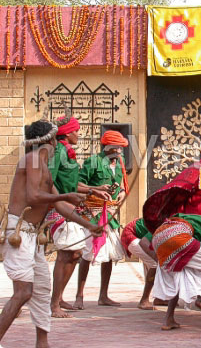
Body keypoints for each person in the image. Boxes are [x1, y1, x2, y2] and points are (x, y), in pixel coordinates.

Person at [0, 120, 101, 348]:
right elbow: (35, 196)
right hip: (20, 232)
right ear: (53, 139)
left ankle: (42, 344)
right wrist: (63, 197)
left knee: (42, 291)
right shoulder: (34, 159)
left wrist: (88, 225)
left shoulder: (42, 164)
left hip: (31, 235)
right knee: (24, 292)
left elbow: (60, 206)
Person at [47, 115, 111, 318]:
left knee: (74, 254)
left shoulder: (67, 152)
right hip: (59, 208)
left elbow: (71, 183)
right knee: (67, 254)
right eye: (76, 131)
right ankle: (54, 304)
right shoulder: (58, 151)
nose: (78, 134)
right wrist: (61, 201)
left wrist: (93, 191)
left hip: (69, 206)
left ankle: (58, 298)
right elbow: (49, 179)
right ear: (66, 132)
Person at [74, 130, 129, 309]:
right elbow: (78, 185)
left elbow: (120, 186)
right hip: (93, 212)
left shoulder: (119, 164)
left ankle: (103, 295)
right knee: (88, 253)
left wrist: (121, 192)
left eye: (120, 149)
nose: (119, 152)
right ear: (106, 147)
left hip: (111, 214)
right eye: (116, 148)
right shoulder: (93, 162)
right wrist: (95, 188)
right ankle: (79, 296)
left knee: (110, 255)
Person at [120, 218, 162, 310]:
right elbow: (145, 241)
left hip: (140, 236)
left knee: (154, 264)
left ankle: (159, 298)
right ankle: (144, 300)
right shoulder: (163, 223)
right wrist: (156, 258)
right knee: (155, 264)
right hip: (130, 235)